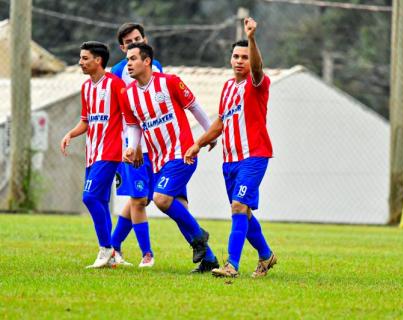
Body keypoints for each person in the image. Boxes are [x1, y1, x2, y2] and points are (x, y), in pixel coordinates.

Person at [184, 17, 277, 278]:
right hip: (230, 160)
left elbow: (258, 69)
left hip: (254, 156)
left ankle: (231, 266)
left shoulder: (257, 83)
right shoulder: (227, 88)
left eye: (244, 57)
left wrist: (252, 38)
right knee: (244, 213)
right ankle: (266, 256)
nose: (239, 61)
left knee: (238, 207)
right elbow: (220, 123)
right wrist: (197, 144)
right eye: (236, 56)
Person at [122, 42, 219, 272]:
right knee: (180, 208)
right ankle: (210, 260)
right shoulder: (128, 95)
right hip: (158, 160)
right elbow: (134, 126)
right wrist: (132, 147)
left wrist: (208, 135)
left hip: (182, 153)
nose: (129, 64)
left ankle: (198, 237)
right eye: (127, 60)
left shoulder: (170, 82)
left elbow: (194, 107)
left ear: (147, 61)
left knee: (161, 199)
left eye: (133, 59)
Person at [60, 41, 124, 268]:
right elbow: (86, 121)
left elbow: (129, 117)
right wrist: (71, 133)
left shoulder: (115, 85)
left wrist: (130, 146)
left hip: (110, 152)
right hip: (92, 153)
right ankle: (113, 254)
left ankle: (105, 248)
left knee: (89, 198)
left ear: (98, 60)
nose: (80, 62)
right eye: (80, 58)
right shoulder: (86, 88)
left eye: (85, 58)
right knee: (102, 202)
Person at [109, 23, 164, 268]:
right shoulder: (119, 72)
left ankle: (112, 247)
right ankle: (147, 254)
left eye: (138, 38)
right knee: (139, 199)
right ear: (122, 48)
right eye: (129, 42)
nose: (134, 43)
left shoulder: (157, 66)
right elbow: (123, 114)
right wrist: (132, 144)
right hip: (132, 146)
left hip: (155, 144)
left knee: (141, 200)